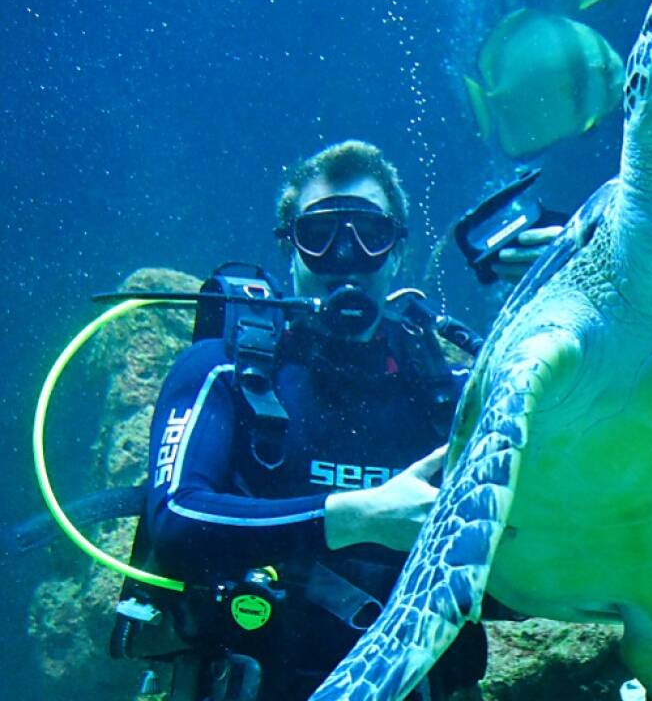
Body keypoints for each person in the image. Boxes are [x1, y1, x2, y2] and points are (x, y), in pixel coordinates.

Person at [133, 140, 515, 700]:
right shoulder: (223, 370)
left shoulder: (453, 394)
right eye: (319, 235)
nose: (344, 257)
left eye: (370, 234)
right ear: (289, 249)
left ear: (397, 253)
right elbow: (175, 521)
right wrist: (356, 516)